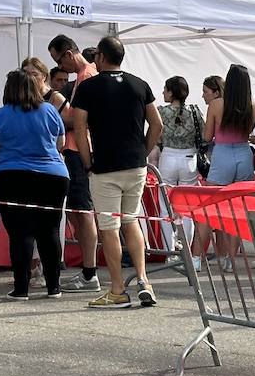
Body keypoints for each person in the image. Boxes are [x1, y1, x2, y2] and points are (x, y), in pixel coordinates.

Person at [70, 36, 163, 309]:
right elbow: (156, 124)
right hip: (135, 164)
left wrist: (88, 163)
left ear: (100, 56)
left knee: (109, 228)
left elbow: (79, 129)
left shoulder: (87, 87)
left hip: (106, 166)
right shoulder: (139, 84)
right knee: (130, 221)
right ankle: (144, 280)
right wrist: (143, 153)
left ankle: (118, 289)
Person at [0, 70, 70, 301]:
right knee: (49, 231)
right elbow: (61, 143)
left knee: (20, 233)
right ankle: (54, 287)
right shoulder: (50, 110)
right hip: (54, 176)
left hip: (12, 176)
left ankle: (21, 289)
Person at [192, 65, 255, 267]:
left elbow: (207, 135)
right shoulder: (253, 105)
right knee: (238, 210)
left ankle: (196, 258)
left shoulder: (217, 104)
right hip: (244, 154)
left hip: (222, 154)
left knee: (209, 207)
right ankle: (230, 258)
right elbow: (248, 130)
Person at [49, 35, 99, 294]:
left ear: (69, 54)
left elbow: (83, 120)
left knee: (83, 210)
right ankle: (88, 271)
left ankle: (90, 273)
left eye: (58, 60)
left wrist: (56, 116)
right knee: (79, 212)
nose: (60, 67)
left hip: (80, 150)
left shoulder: (86, 76)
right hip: (76, 150)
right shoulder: (83, 76)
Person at [157, 76, 205, 189]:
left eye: (165, 89)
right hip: (189, 157)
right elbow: (204, 134)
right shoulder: (194, 110)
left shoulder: (161, 111)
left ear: (171, 92)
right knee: (188, 196)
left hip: (167, 156)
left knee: (165, 193)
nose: (163, 92)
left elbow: (157, 137)